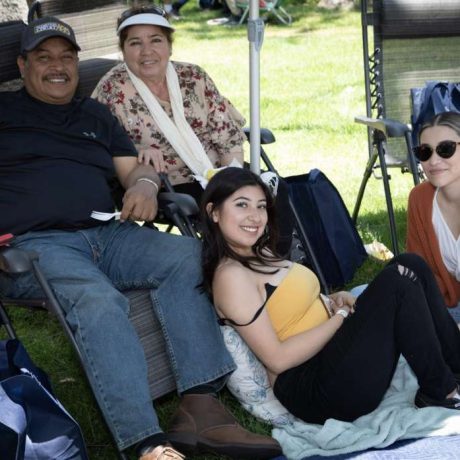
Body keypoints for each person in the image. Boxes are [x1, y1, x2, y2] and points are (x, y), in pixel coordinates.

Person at [0, 17, 282, 460]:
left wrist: (145, 186)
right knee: (99, 301)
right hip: (36, 247)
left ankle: (200, 407)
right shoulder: (4, 112)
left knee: (192, 256)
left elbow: (135, 169)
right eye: (44, 57)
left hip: (108, 234)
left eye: (66, 57)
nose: (58, 66)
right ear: (22, 65)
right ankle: (146, 442)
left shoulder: (94, 113)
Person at [200, 167, 460, 427]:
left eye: (261, 206)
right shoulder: (231, 276)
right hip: (316, 388)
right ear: (214, 212)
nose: (255, 217)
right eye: (241, 205)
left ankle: (456, 366)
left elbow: (288, 306)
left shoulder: (257, 253)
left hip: (334, 354)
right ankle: (440, 392)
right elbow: (277, 358)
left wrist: (335, 299)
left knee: (411, 263)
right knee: (398, 282)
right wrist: (341, 317)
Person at [92, 4, 294, 256]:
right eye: (135, 43)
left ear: (169, 45)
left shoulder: (193, 76)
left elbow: (228, 133)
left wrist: (230, 175)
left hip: (216, 170)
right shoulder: (111, 90)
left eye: (156, 40)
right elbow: (98, 147)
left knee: (274, 190)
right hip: (169, 183)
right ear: (123, 50)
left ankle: (275, 263)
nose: (147, 51)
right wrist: (137, 150)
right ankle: (237, 273)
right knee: (223, 205)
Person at [407, 111, 460, 308]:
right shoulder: (420, 198)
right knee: (359, 294)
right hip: (443, 304)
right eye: (425, 152)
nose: (434, 161)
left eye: (445, 149)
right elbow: (420, 270)